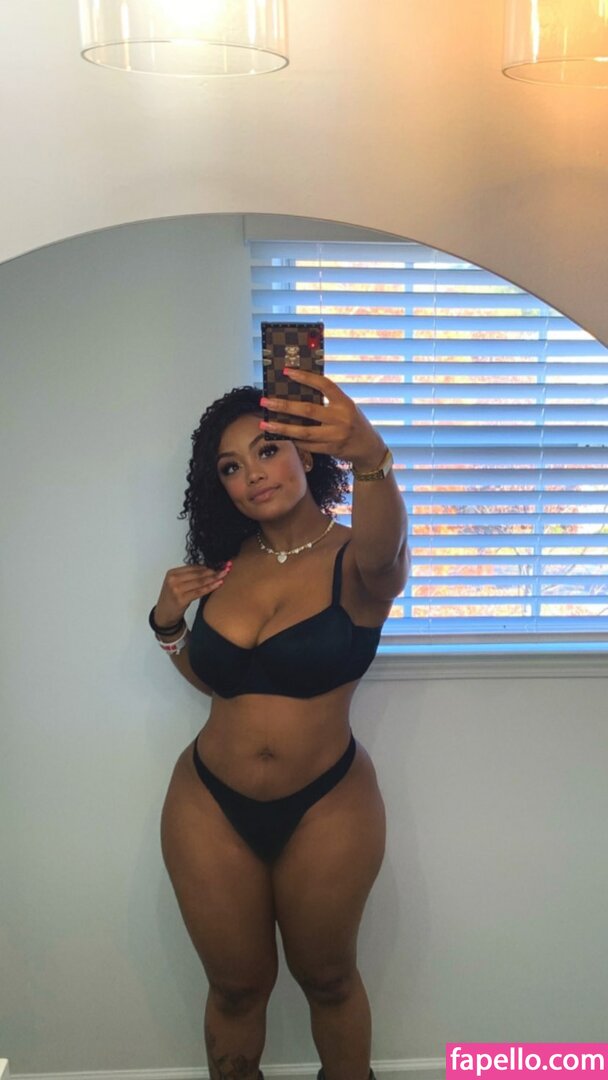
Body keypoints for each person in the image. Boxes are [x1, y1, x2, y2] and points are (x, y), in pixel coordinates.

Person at [152, 368, 409, 1080]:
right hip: (207, 801)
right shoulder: (227, 567)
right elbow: (220, 683)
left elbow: (387, 555)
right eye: (231, 467)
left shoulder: (357, 558)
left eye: (267, 450)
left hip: (328, 802)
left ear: (305, 453)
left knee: (329, 980)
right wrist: (169, 627)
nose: (252, 476)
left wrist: (371, 456)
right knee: (235, 990)